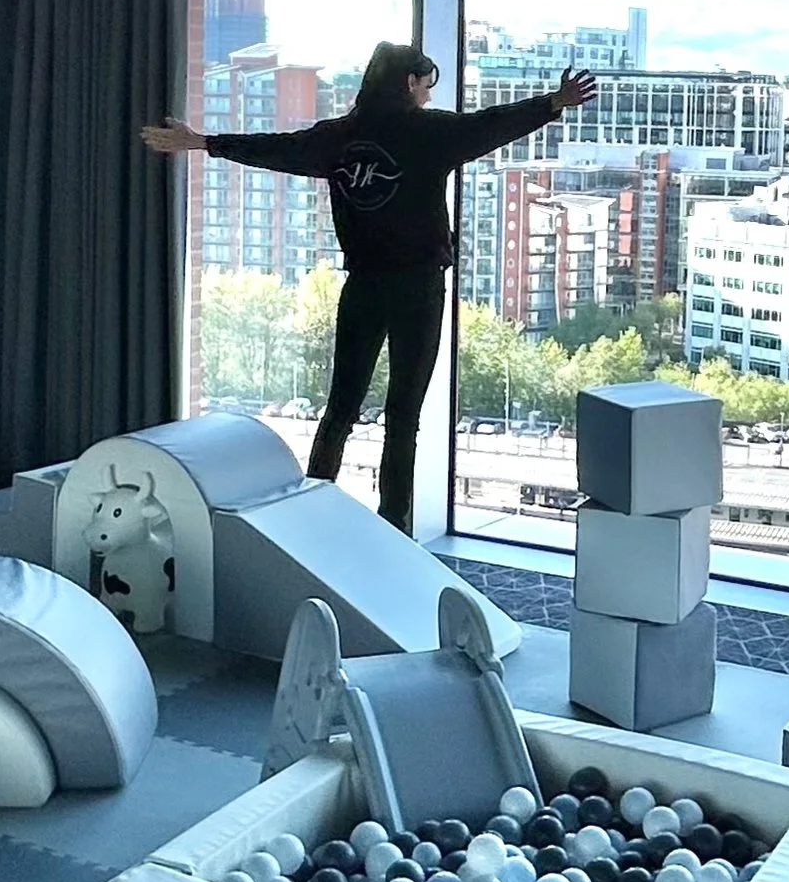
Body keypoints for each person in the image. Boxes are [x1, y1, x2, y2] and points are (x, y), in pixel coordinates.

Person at [143, 43, 598, 533]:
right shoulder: (428, 133)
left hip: (361, 286)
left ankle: (311, 511)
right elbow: (489, 125)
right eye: (426, 85)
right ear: (409, 83)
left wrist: (203, 142)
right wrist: (552, 103)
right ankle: (393, 527)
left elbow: (275, 147)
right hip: (419, 290)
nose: (426, 96)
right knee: (403, 416)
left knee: (340, 406)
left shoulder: (338, 137)